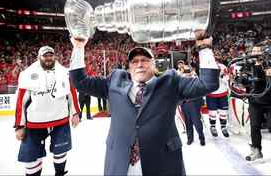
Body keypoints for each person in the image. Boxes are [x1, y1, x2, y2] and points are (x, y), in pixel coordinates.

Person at [69, 29, 219, 176]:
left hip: (163, 164)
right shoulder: (114, 81)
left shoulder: (171, 82)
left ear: (153, 64)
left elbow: (208, 84)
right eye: (134, 61)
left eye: (145, 60)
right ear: (129, 67)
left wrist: (204, 48)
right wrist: (78, 47)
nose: (139, 64)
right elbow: (80, 81)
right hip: (121, 164)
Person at [14, 46, 80, 176]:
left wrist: (75, 113)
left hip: (60, 121)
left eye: (51, 55)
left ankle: (60, 173)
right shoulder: (28, 73)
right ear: (39, 57)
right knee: (31, 157)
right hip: (35, 124)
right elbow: (21, 101)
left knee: (61, 151)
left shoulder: (64, 72)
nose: (48, 58)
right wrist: (19, 125)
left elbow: (71, 93)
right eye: (45, 56)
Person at [245, 45, 271, 161]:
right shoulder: (247, 66)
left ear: (262, 52)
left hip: (269, 100)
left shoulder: (268, 63)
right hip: (255, 100)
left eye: (258, 51)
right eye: (253, 51)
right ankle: (256, 150)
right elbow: (243, 80)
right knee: (254, 126)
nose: (255, 53)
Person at [179, 64, 205, 146]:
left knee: (197, 122)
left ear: (191, 72)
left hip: (194, 104)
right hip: (185, 104)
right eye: (185, 72)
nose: (187, 74)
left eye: (188, 72)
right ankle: (190, 138)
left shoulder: (196, 80)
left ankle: (201, 137)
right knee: (188, 123)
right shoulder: (180, 81)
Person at [206, 56, 230, 138]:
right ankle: (213, 127)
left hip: (222, 93)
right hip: (211, 94)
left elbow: (228, 79)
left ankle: (223, 127)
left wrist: (222, 76)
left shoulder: (223, 67)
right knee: (212, 112)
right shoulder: (206, 67)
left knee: (223, 112)